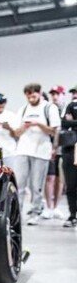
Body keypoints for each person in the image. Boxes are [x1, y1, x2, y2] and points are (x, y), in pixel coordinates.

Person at [14, 83, 61, 225]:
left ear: (39, 93)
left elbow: (54, 131)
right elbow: (16, 132)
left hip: (41, 150)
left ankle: (35, 212)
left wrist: (38, 124)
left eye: (33, 95)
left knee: (36, 185)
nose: (31, 98)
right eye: (28, 96)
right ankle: (17, 213)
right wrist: (24, 126)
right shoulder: (22, 109)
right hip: (23, 149)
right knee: (20, 184)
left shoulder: (49, 108)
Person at [44, 85, 67, 219]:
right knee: (49, 177)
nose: (55, 96)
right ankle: (48, 207)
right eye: (53, 94)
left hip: (63, 149)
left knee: (60, 179)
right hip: (49, 148)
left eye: (57, 94)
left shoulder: (66, 110)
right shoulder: (47, 109)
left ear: (62, 95)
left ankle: (57, 206)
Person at [61, 86, 77, 227]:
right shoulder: (70, 105)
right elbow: (64, 123)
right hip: (71, 147)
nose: (74, 95)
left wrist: (73, 122)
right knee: (71, 184)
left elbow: (70, 122)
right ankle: (72, 215)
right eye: (73, 93)